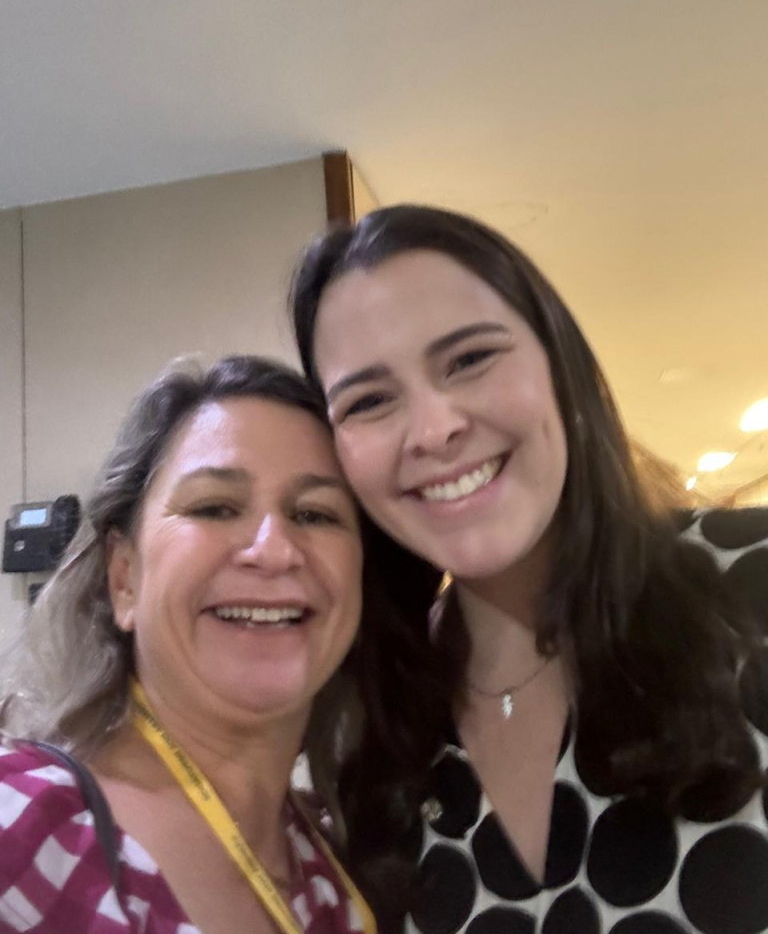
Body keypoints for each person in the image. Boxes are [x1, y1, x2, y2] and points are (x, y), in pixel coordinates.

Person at [290, 206, 768, 934]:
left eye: (469, 359)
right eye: (370, 400)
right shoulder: (373, 733)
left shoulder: (749, 584)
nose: (434, 430)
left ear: (558, 364)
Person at [0, 355, 380, 934]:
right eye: (214, 508)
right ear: (124, 578)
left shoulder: (333, 881)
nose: (274, 550)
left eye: (315, 514)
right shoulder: (18, 832)